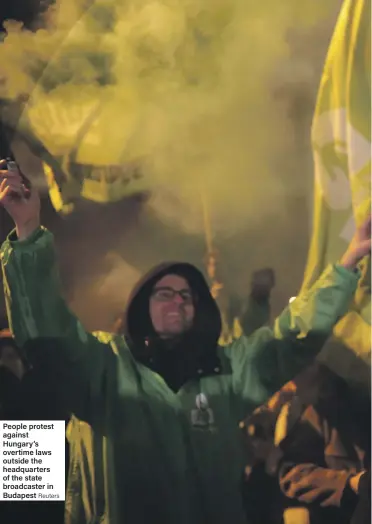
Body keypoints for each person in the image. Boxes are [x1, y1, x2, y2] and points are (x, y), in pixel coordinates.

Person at [0, 161, 370, 524]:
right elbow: (47, 334)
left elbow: (289, 337)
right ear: (140, 309)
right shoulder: (102, 368)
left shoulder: (223, 372)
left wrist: (347, 264)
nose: (177, 301)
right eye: (164, 294)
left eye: (187, 296)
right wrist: (29, 228)